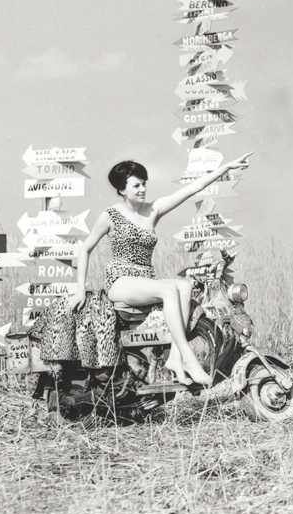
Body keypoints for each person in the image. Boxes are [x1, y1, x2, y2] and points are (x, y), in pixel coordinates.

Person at [70, 152, 252, 386]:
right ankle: (189, 360)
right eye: (136, 185)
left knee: (184, 286)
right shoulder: (110, 215)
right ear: (122, 190)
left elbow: (192, 188)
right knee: (169, 290)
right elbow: (84, 249)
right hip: (122, 281)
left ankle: (175, 359)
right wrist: (79, 289)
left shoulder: (153, 210)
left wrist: (226, 167)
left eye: (144, 184)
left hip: (146, 280)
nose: (143, 189)